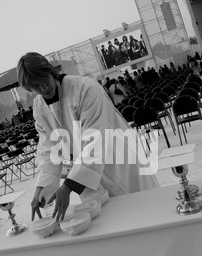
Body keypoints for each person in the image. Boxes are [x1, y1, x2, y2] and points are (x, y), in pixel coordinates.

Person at [17, 52, 159, 222]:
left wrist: (69, 186)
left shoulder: (85, 88)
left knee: (144, 213)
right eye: (35, 87)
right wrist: (42, 187)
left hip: (117, 161)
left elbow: (96, 139)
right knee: (109, 223)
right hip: (85, 173)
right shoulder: (39, 107)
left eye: (44, 80)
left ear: (50, 71)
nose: (43, 88)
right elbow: (48, 149)